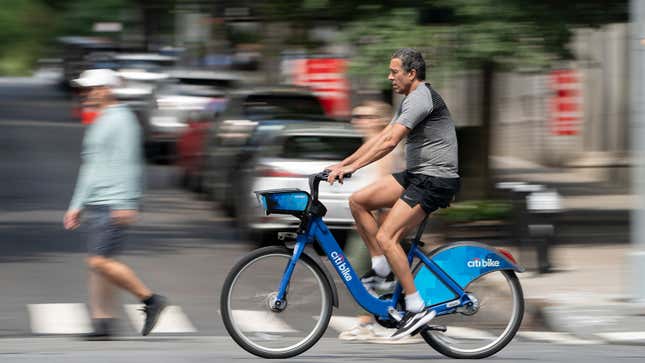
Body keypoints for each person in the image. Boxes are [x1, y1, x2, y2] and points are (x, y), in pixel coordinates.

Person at [327, 48, 460, 339]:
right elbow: (379, 137)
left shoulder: (422, 98)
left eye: (394, 71)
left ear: (411, 74)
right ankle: (381, 268)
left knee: (387, 236)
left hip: (435, 179)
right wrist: (343, 164)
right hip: (416, 176)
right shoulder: (409, 100)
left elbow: (389, 143)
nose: (389, 77)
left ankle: (416, 307)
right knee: (358, 201)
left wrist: (351, 168)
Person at [63, 69, 168, 339]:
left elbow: (130, 164)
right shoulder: (101, 119)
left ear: (106, 90)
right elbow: (91, 166)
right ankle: (102, 323)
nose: (86, 93)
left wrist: (126, 201)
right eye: (85, 89)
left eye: (91, 88)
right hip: (98, 202)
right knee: (100, 264)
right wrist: (77, 204)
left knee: (99, 262)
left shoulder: (122, 120)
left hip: (113, 202)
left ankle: (150, 300)